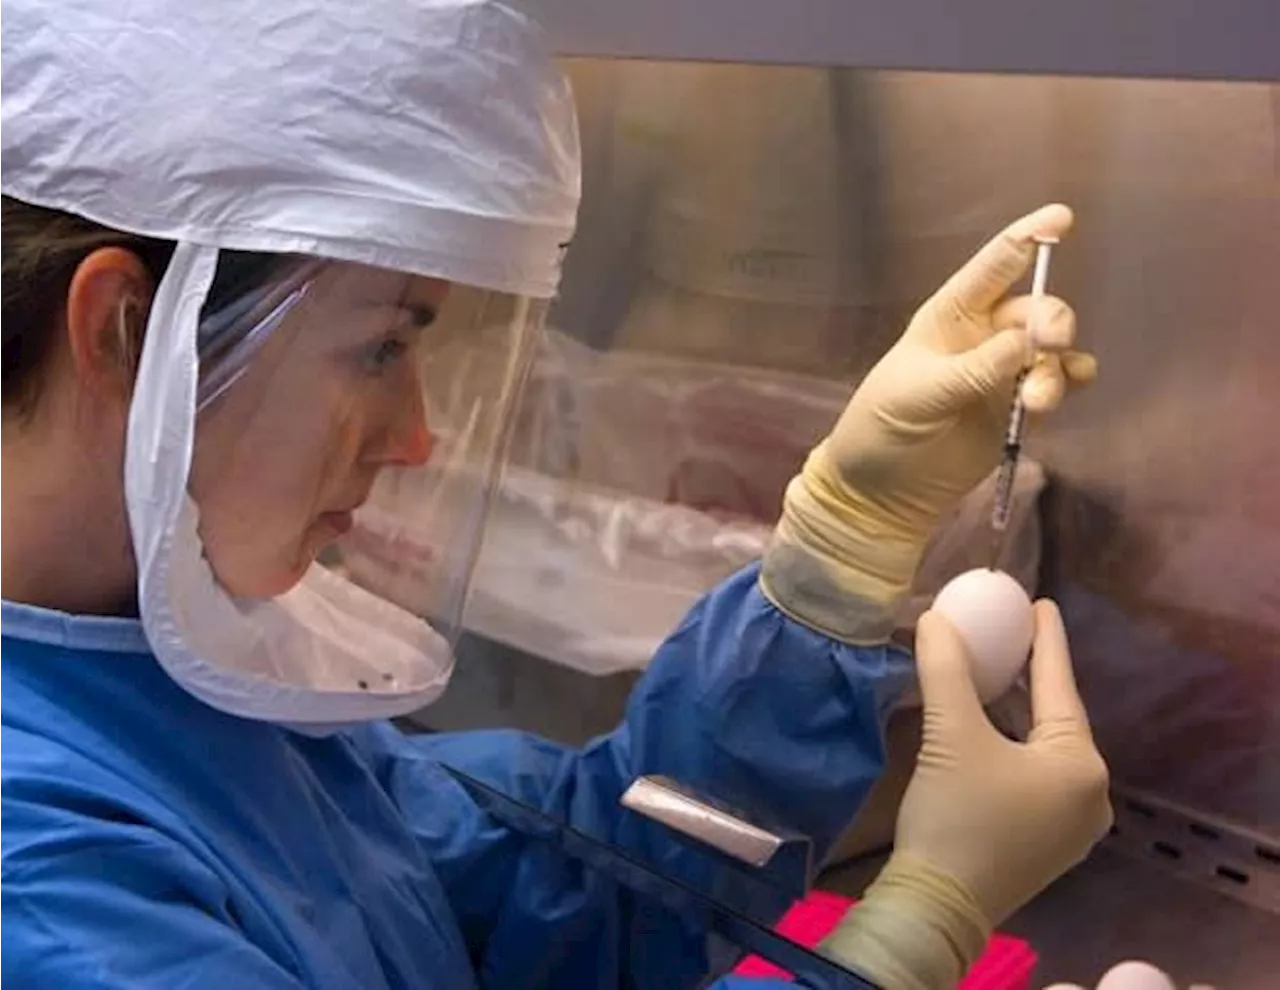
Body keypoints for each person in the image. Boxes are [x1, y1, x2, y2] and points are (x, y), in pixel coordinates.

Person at [0, 0, 1110, 987]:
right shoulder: (36, 871)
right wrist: (912, 933)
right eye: (382, 346)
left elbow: (558, 899)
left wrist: (838, 552)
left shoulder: (182, 665)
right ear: (129, 331)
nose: (419, 439)